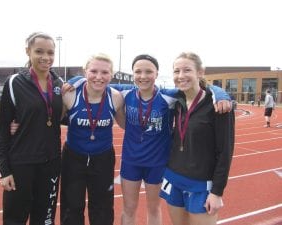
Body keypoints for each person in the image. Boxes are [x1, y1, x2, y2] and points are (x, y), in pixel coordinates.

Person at [66, 54, 231, 225]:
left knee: (153, 209)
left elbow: (202, 88)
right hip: (131, 161)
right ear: (133, 74)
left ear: (157, 74)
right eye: (138, 72)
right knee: (129, 209)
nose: (143, 76)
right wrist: (74, 79)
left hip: (158, 163)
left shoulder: (170, 96)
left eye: (148, 72)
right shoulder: (124, 92)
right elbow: (95, 81)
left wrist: (221, 94)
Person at [0, 32, 64, 225]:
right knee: (15, 219)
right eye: (39, 51)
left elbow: (63, 117)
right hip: (21, 164)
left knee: (44, 220)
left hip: (50, 164)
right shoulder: (15, 82)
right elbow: (2, 129)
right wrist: (4, 170)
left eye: (50, 52)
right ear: (28, 52)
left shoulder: (59, 84)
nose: (46, 57)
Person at [160, 52, 235, 225]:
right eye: (176, 71)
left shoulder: (218, 105)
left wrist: (217, 193)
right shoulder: (176, 100)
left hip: (201, 184)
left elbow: (225, 152)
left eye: (187, 70)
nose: (181, 76)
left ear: (200, 72)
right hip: (173, 178)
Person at [60, 53, 125, 225]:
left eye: (105, 72)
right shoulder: (70, 95)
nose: (99, 77)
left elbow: (126, 125)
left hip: (103, 158)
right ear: (85, 72)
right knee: (72, 207)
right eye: (94, 71)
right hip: (73, 157)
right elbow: (49, 122)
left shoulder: (116, 97)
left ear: (112, 74)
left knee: (102, 208)